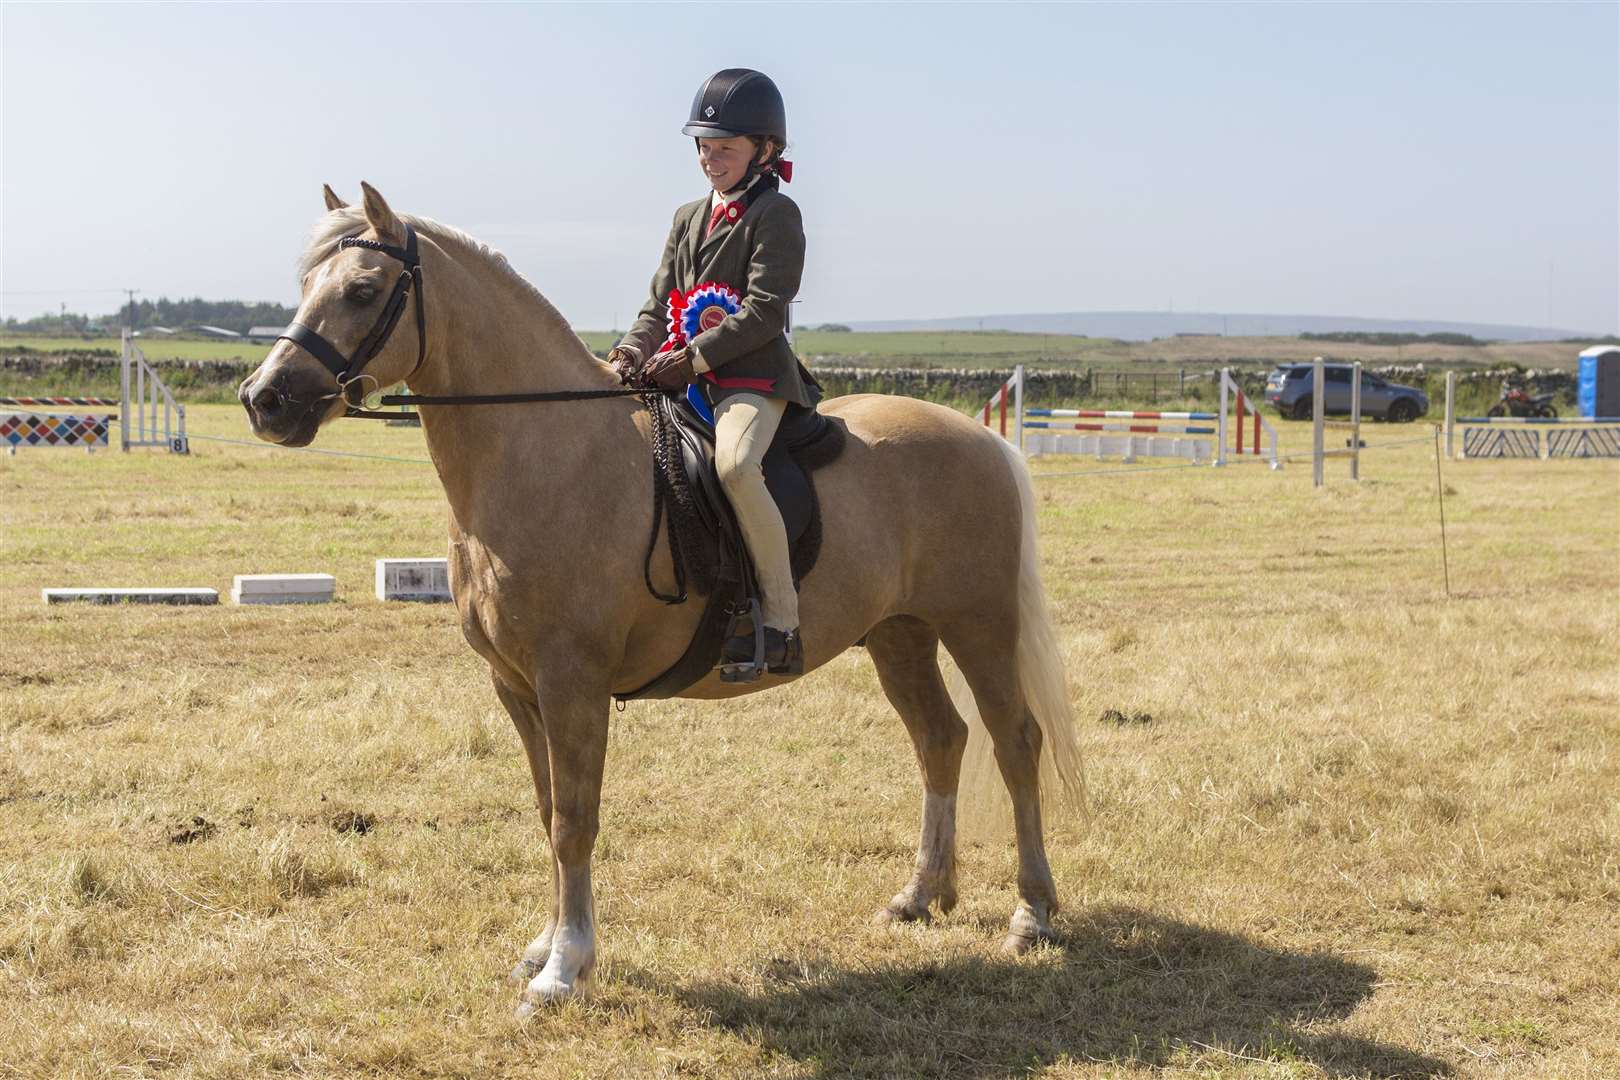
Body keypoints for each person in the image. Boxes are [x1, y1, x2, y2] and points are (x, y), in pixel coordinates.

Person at [608, 68, 820, 677]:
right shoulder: (686, 216)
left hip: (751, 380)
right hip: (681, 375)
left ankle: (781, 621)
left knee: (734, 465)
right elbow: (659, 304)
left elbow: (764, 311)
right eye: (704, 145)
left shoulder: (777, 215)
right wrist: (627, 352)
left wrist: (694, 359)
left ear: (766, 150)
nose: (710, 157)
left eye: (725, 146)